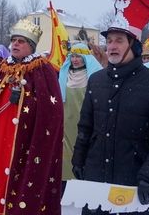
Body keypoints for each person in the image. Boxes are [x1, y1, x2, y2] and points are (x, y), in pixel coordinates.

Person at [72, 9, 149, 213]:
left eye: (119, 40)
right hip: (95, 183)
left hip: (136, 186)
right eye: (109, 41)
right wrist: (79, 160)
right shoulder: (96, 80)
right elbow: (86, 127)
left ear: (134, 46)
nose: (111, 46)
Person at [0, 18, 64, 215]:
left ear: (31, 46)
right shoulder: (4, 67)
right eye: (13, 40)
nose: (15, 44)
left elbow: (50, 113)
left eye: (21, 41)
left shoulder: (42, 70)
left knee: (20, 180)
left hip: (25, 140)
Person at [57, 43, 102, 195]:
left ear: (86, 58)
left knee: (84, 150)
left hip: (85, 120)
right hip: (66, 120)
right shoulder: (64, 74)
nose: (75, 60)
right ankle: (65, 184)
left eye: (79, 56)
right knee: (65, 153)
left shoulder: (94, 75)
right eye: (73, 56)